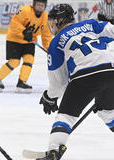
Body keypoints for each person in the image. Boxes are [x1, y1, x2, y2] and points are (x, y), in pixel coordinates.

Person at [38, 3, 114, 160]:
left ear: (59, 21)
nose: (51, 26)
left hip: (84, 75)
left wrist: (50, 97)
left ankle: (53, 151)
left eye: (53, 22)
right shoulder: (91, 24)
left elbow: (58, 83)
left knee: (66, 117)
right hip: (110, 71)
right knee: (107, 111)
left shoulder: (57, 42)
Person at [0, 0, 52, 93]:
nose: (40, 7)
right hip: (14, 39)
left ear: (45, 6)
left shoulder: (45, 17)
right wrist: (24, 31)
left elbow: (46, 35)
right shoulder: (25, 10)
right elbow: (14, 23)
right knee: (14, 62)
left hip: (29, 41)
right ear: (34, 5)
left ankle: (22, 82)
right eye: (38, 5)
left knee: (29, 59)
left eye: (42, 5)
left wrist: (50, 49)